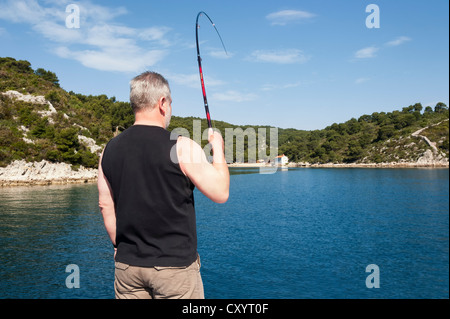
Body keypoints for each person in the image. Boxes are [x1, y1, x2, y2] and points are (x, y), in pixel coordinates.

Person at [97, 71, 229, 299]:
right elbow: (220, 193)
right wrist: (218, 150)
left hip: (127, 269)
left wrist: (119, 246)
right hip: (174, 271)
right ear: (162, 103)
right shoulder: (181, 147)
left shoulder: (108, 150)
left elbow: (105, 205)